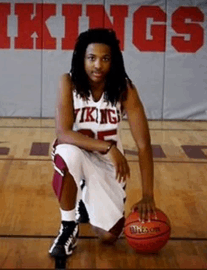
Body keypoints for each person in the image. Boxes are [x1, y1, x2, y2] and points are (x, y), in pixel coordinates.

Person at [49, 28, 156, 258]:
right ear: (82, 58)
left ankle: (86, 200)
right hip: (79, 153)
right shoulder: (68, 82)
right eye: (91, 58)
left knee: (109, 236)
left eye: (105, 59)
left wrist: (148, 195)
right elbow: (64, 132)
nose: (98, 65)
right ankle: (68, 227)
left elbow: (144, 145)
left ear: (113, 61)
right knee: (66, 152)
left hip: (108, 166)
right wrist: (109, 147)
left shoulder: (124, 89)